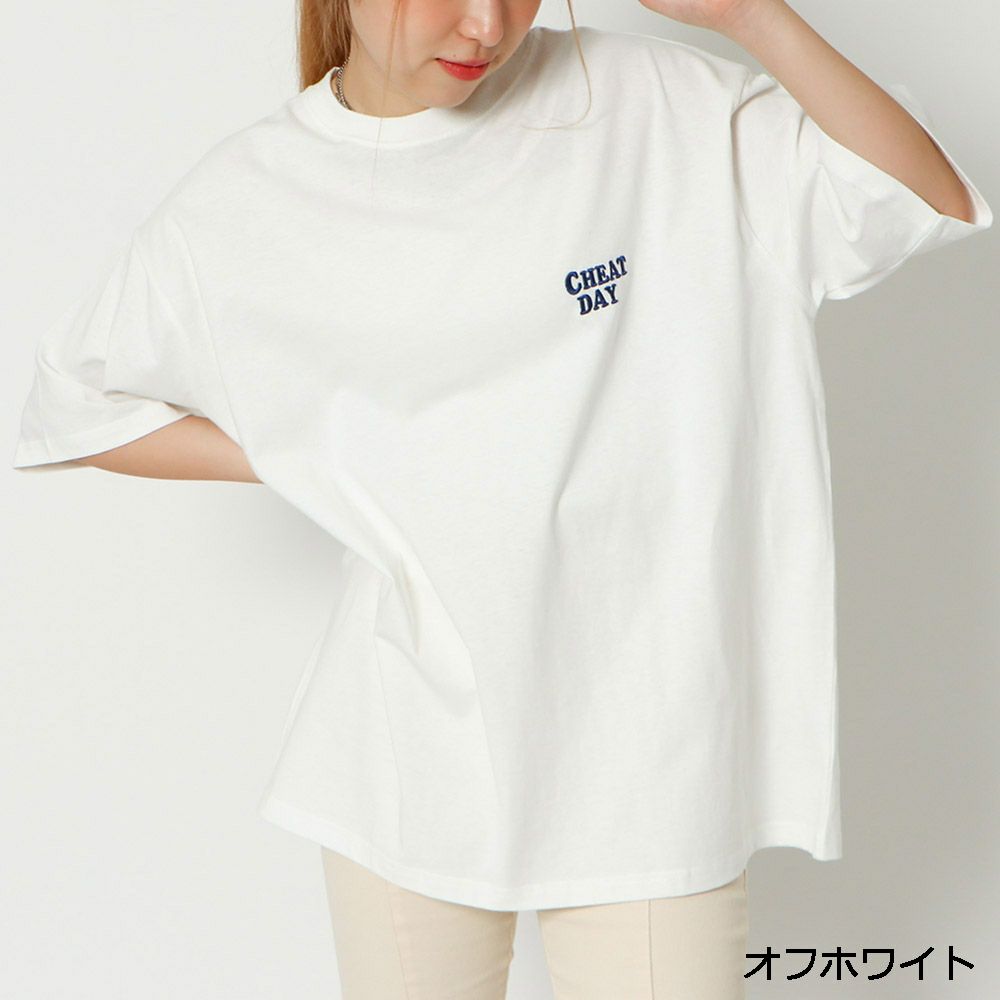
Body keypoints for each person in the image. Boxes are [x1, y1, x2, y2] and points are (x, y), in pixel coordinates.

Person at [11, 0, 992, 997]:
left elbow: (922, 200)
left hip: (651, 758)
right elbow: (78, 404)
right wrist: (321, 448)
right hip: (407, 761)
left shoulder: (654, 106)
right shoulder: (257, 193)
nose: (485, 26)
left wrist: (752, 17)